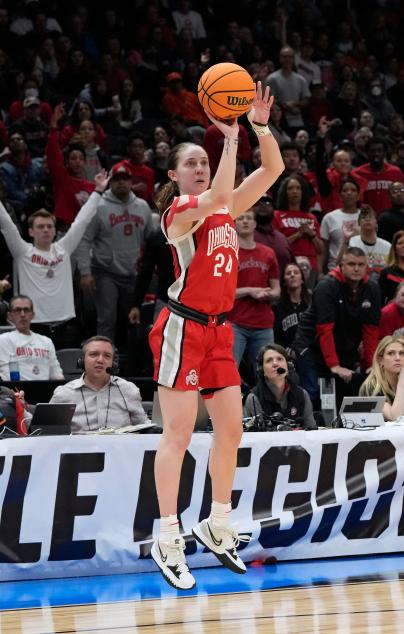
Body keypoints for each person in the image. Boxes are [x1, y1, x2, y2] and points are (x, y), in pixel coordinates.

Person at [147, 84, 283, 590]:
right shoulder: (179, 215)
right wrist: (229, 142)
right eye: (191, 163)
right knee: (179, 434)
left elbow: (273, 171)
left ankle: (217, 522)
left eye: (205, 161)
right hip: (182, 327)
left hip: (219, 331)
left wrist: (259, 129)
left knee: (231, 429)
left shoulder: (224, 207)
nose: (200, 167)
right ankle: (167, 536)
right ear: (174, 176)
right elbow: (220, 195)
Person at [0, 162, 106, 347]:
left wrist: (98, 191)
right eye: (40, 227)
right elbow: (5, 221)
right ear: (30, 231)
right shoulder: (22, 252)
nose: (45, 230)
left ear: (54, 230)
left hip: (67, 326)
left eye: (49, 226)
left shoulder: (64, 248)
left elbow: (82, 220)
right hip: (34, 326)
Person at [291, 247, 382, 405]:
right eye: (351, 264)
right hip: (311, 345)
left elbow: (371, 330)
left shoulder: (372, 288)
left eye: (361, 265)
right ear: (341, 265)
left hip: (343, 346)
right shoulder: (327, 286)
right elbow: (324, 329)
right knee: (313, 393)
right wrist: (334, 365)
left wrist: (370, 365)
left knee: (346, 392)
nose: (356, 268)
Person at [77, 161, 153, 343]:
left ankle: (133, 362)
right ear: (110, 182)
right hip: (105, 272)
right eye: (117, 179)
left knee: (134, 317)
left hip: (133, 272)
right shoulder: (98, 206)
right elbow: (84, 240)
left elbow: (151, 240)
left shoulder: (142, 206)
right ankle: (104, 361)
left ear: (131, 181)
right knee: (107, 318)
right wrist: (85, 272)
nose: (121, 183)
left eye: (125, 179)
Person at [49, 335, 145, 432]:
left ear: (113, 363)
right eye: (94, 354)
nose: (100, 360)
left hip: (120, 446)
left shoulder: (128, 390)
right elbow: (48, 433)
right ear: (82, 361)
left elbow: (143, 427)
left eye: (107, 356)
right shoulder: (63, 393)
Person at [231, 207, 281, 384]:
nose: (244, 221)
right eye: (240, 218)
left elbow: (277, 290)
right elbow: (222, 294)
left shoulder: (268, 253)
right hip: (235, 322)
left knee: (268, 376)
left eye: (248, 218)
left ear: (254, 224)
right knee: (229, 372)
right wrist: (249, 291)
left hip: (263, 324)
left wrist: (267, 294)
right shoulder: (228, 253)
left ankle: (266, 411)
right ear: (234, 224)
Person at [243, 344, 316, 430]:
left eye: (280, 359)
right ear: (262, 370)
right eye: (269, 360)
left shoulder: (302, 395)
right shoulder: (253, 398)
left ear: (288, 366)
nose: (275, 363)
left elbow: (311, 430)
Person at [358, 336, 404, 421]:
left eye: (402, 353)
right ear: (380, 360)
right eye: (391, 353)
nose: (398, 358)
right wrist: (401, 383)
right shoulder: (372, 386)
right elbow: (395, 418)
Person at [0, 295, 64, 381]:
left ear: (32, 315)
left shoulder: (47, 341)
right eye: (17, 310)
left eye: (26, 310)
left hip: (46, 390)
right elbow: (5, 374)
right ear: (9, 316)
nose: (22, 314)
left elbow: (57, 374)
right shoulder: (4, 339)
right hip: (17, 390)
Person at [347, 205, 391, 273]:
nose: (367, 219)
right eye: (363, 217)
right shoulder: (354, 241)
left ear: (376, 223)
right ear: (359, 223)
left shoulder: (387, 246)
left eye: (371, 217)